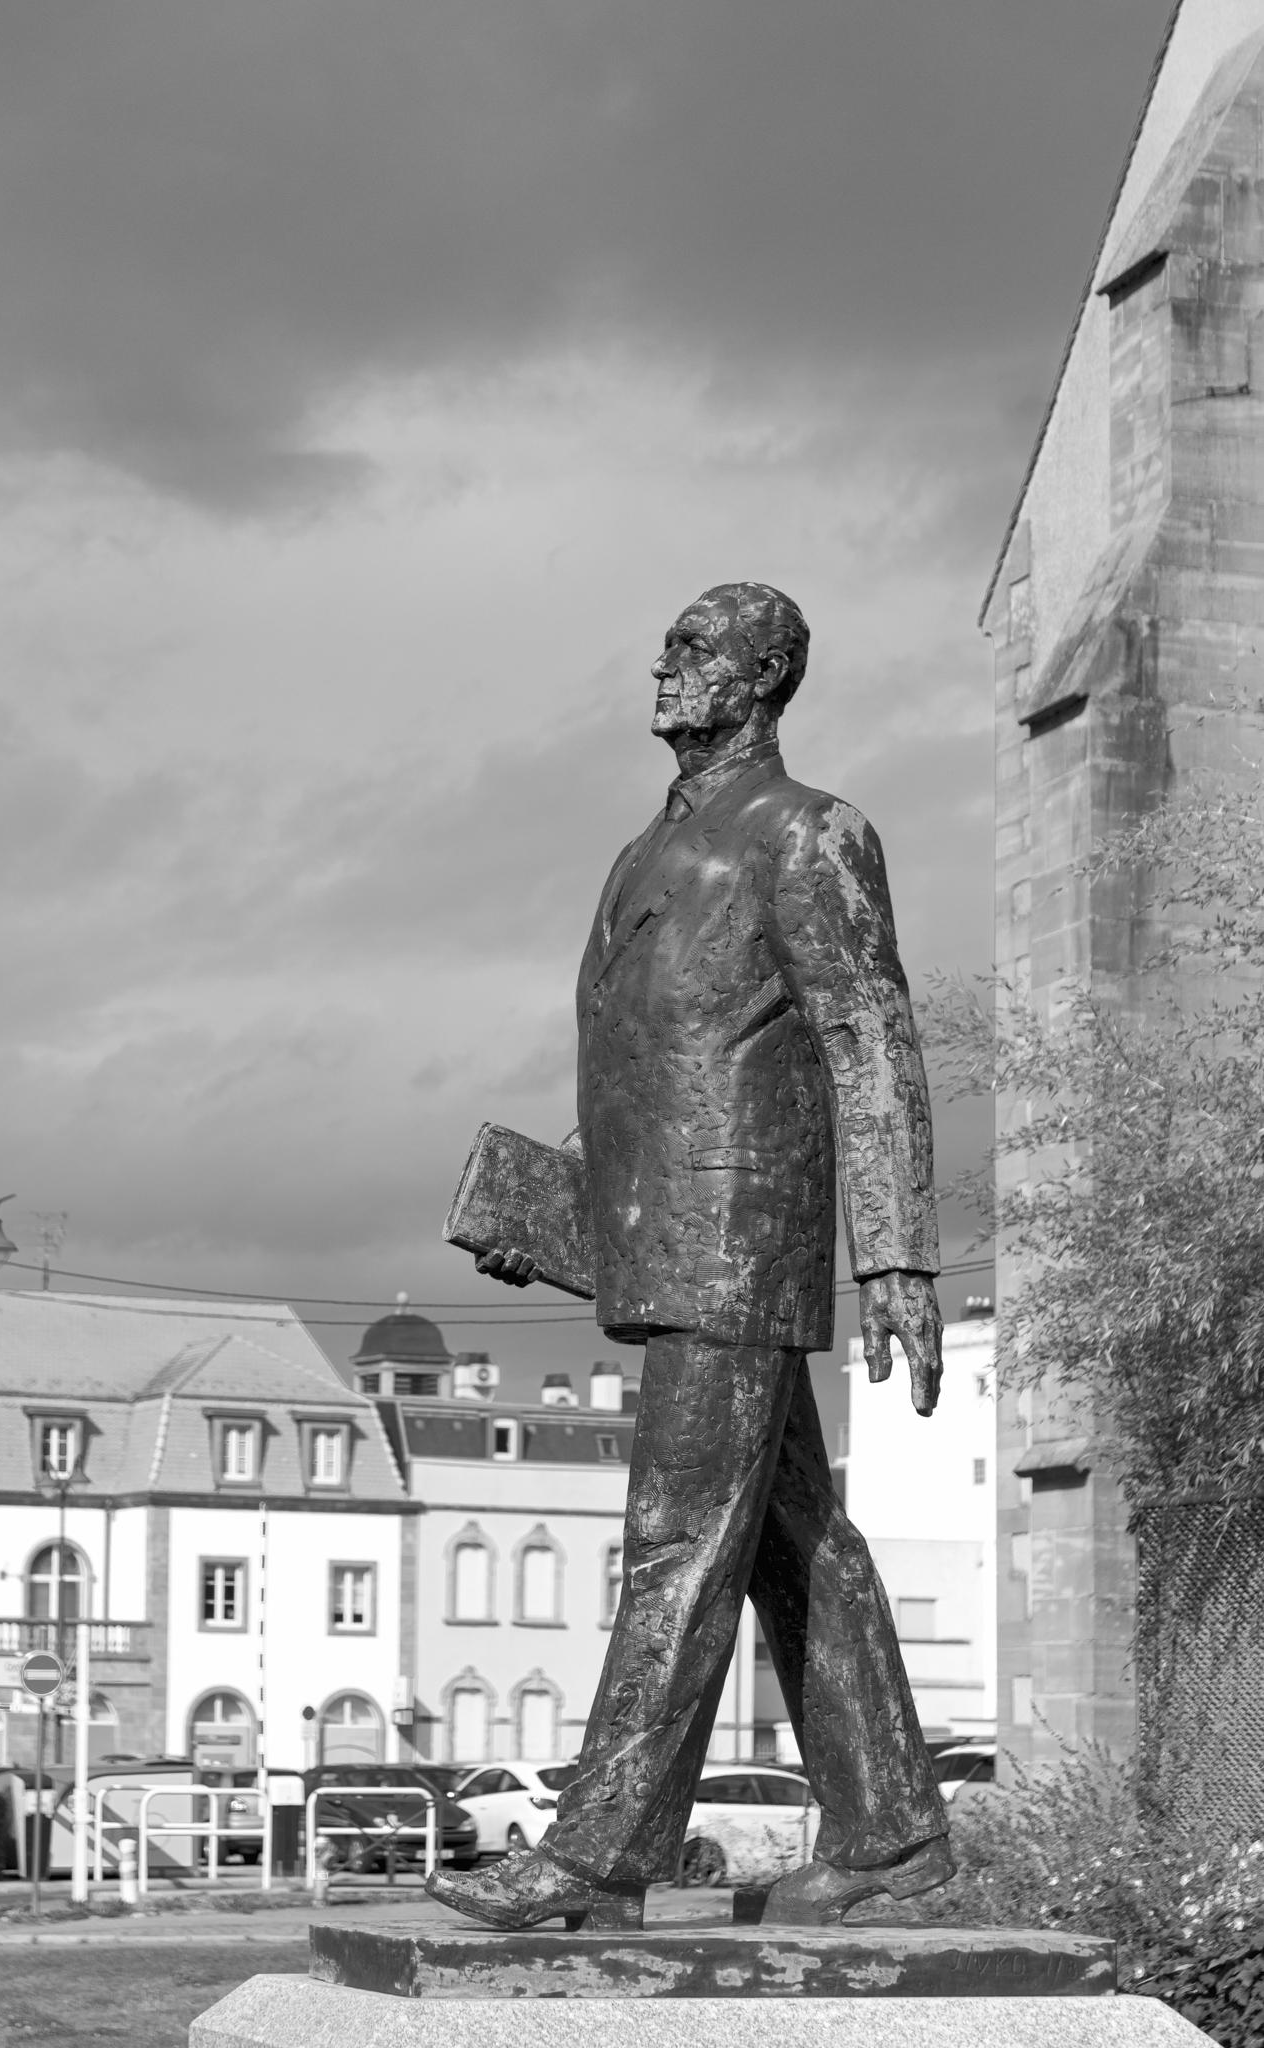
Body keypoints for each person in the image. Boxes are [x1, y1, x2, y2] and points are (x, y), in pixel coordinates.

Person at [429, 581, 952, 1931]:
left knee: (674, 1541)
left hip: (741, 1248)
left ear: (766, 676)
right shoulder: (641, 851)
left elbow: (867, 1032)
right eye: (667, 645)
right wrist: (567, 1203)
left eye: (695, 648)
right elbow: (659, 1062)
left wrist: (892, 1254)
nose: (665, 666)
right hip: (664, 1240)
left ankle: (600, 1856)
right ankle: (891, 1830)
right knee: (794, 1543)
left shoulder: (810, 832)